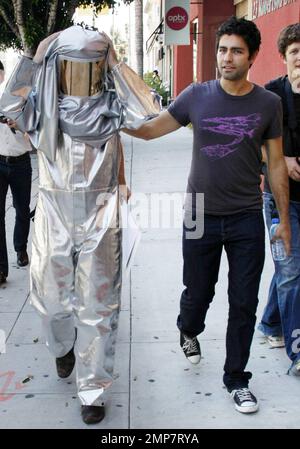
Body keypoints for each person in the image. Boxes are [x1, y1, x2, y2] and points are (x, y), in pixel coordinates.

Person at [114, 16, 291, 414]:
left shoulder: (269, 104)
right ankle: (188, 329)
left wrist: (283, 222)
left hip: (246, 214)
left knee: (243, 301)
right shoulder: (196, 95)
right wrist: (110, 117)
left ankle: (236, 378)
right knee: (198, 293)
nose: (227, 58)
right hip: (198, 211)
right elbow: (148, 130)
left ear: (253, 56)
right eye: (222, 49)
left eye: (236, 51)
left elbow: (276, 165)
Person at [0, 26, 160, 424]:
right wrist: (36, 57)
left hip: (101, 215)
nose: (82, 77)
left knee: (98, 307)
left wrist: (116, 62)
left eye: (92, 67)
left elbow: (147, 110)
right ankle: (62, 349)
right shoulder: (41, 108)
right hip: (53, 211)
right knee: (51, 302)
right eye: (73, 66)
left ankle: (92, 391)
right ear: (59, 66)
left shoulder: (112, 106)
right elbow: (9, 104)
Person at [258, 23, 300, 376]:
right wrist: (279, 161)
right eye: (295, 52)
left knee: (292, 269)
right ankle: (298, 350)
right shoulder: (271, 96)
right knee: (291, 272)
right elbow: (251, 140)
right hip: (279, 200)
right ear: (284, 57)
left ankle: (271, 323)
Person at [0, 61, 32, 285]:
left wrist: (17, 124)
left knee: (22, 209)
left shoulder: (21, 97)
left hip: (20, 162)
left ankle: (20, 249)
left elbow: (34, 129)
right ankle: (1, 269)